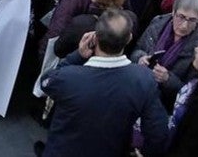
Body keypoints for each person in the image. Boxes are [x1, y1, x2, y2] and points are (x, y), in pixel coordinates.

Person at [38, 9, 169, 157]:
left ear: (95, 37)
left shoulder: (69, 77)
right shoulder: (144, 80)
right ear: (129, 38)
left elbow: (46, 82)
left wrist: (77, 56)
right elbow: (158, 133)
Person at [130, 0, 198, 108]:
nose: (184, 25)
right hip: (139, 88)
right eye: (181, 17)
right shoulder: (158, 23)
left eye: (192, 20)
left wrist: (167, 79)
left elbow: (191, 91)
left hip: (164, 104)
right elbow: (136, 51)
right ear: (173, 11)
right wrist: (141, 58)